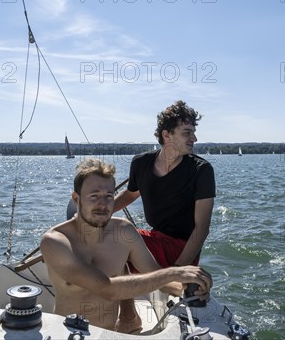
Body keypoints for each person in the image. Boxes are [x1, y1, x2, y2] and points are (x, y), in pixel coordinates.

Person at [41, 158, 212, 333]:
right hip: (67, 334)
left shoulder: (124, 232)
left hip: (108, 336)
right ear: (76, 199)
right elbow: (106, 289)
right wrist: (173, 272)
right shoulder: (55, 241)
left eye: (108, 196)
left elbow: (155, 276)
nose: (103, 204)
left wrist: (190, 286)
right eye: (94, 196)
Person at [115, 100, 216, 267]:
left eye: (193, 132)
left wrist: (178, 270)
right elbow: (130, 194)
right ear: (167, 135)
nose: (194, 138)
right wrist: (92, 214)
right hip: (154, 240)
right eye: (187, 133)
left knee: (120, 234)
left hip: (182, 250)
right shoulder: (141, 163)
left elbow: (202, 229)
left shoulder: (201, 170)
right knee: (105, 232)